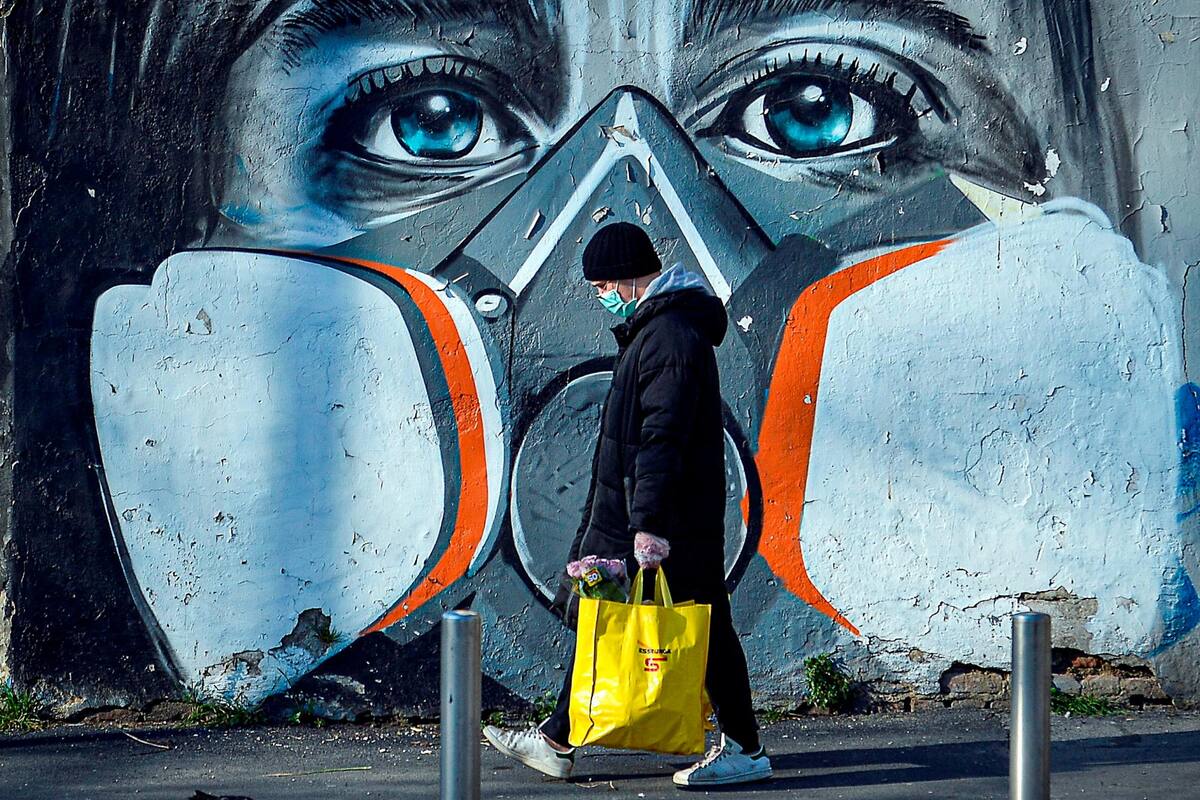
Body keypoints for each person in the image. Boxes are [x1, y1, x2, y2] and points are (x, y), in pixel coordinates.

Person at [483, 222, 771, 788]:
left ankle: (744, 748)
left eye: (600, 286)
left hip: (669, 520)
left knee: (698, 628)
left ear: (623, 277)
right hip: (654, 513)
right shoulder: (659, 331)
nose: (599, 296)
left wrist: (649, 526)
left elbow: (663, 434)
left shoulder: (670, 337)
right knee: (608, 617)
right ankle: (557, 740)